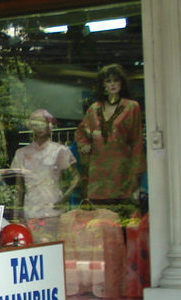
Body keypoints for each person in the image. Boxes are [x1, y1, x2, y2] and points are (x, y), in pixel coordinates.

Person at [74, 64, 145, 202]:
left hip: (121, 167)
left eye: (116, 80)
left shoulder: (131, 107)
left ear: (122, 82)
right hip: (98, 169)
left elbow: (137, 140)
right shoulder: (94, 109)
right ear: (103, 84)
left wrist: (137, 173)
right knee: (99, 214)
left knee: (122, 210)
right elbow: (81, 131)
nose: (113, 84)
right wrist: (83, 145)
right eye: (108, 81)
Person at [12, 109, 80, 243]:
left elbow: (76, 178)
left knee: (52, 247)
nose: (39, 126)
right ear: (30, 126)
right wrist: (15, 215)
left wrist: (65, 197)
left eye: (43, 122)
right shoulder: (21, 153)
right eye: (35, 122)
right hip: (30, 211)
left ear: (50, 125)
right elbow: (19, 187)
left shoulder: (61, 151)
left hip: (53, 209)